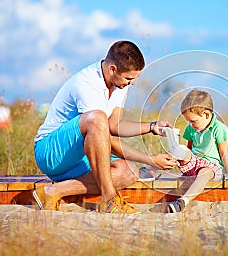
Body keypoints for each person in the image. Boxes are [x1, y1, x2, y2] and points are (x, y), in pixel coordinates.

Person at [33, 40, 177, 214]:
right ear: (113, 69)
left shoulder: (119, 83)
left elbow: (114, 125)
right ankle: (109, 199)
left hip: (80, 157)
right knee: (97, 118)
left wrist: (152, 127)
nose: (132, 83)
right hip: (51, 153)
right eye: (129, 78)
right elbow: (102, 134)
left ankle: (53, 192)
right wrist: (150, 159)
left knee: (130, 171)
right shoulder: (87, 84)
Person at [166, 89, 228, 213]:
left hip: (211, 167)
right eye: (188, 121)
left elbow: (223, 152)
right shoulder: (191, 128)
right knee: (180, 149)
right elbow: (189, 149)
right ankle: (151, 169)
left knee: (204, 173)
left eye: (193, 121)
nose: (190, 124)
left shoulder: (219, 128)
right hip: (194, 162)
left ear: (206, 115)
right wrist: (179, 156)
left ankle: (183, 201)